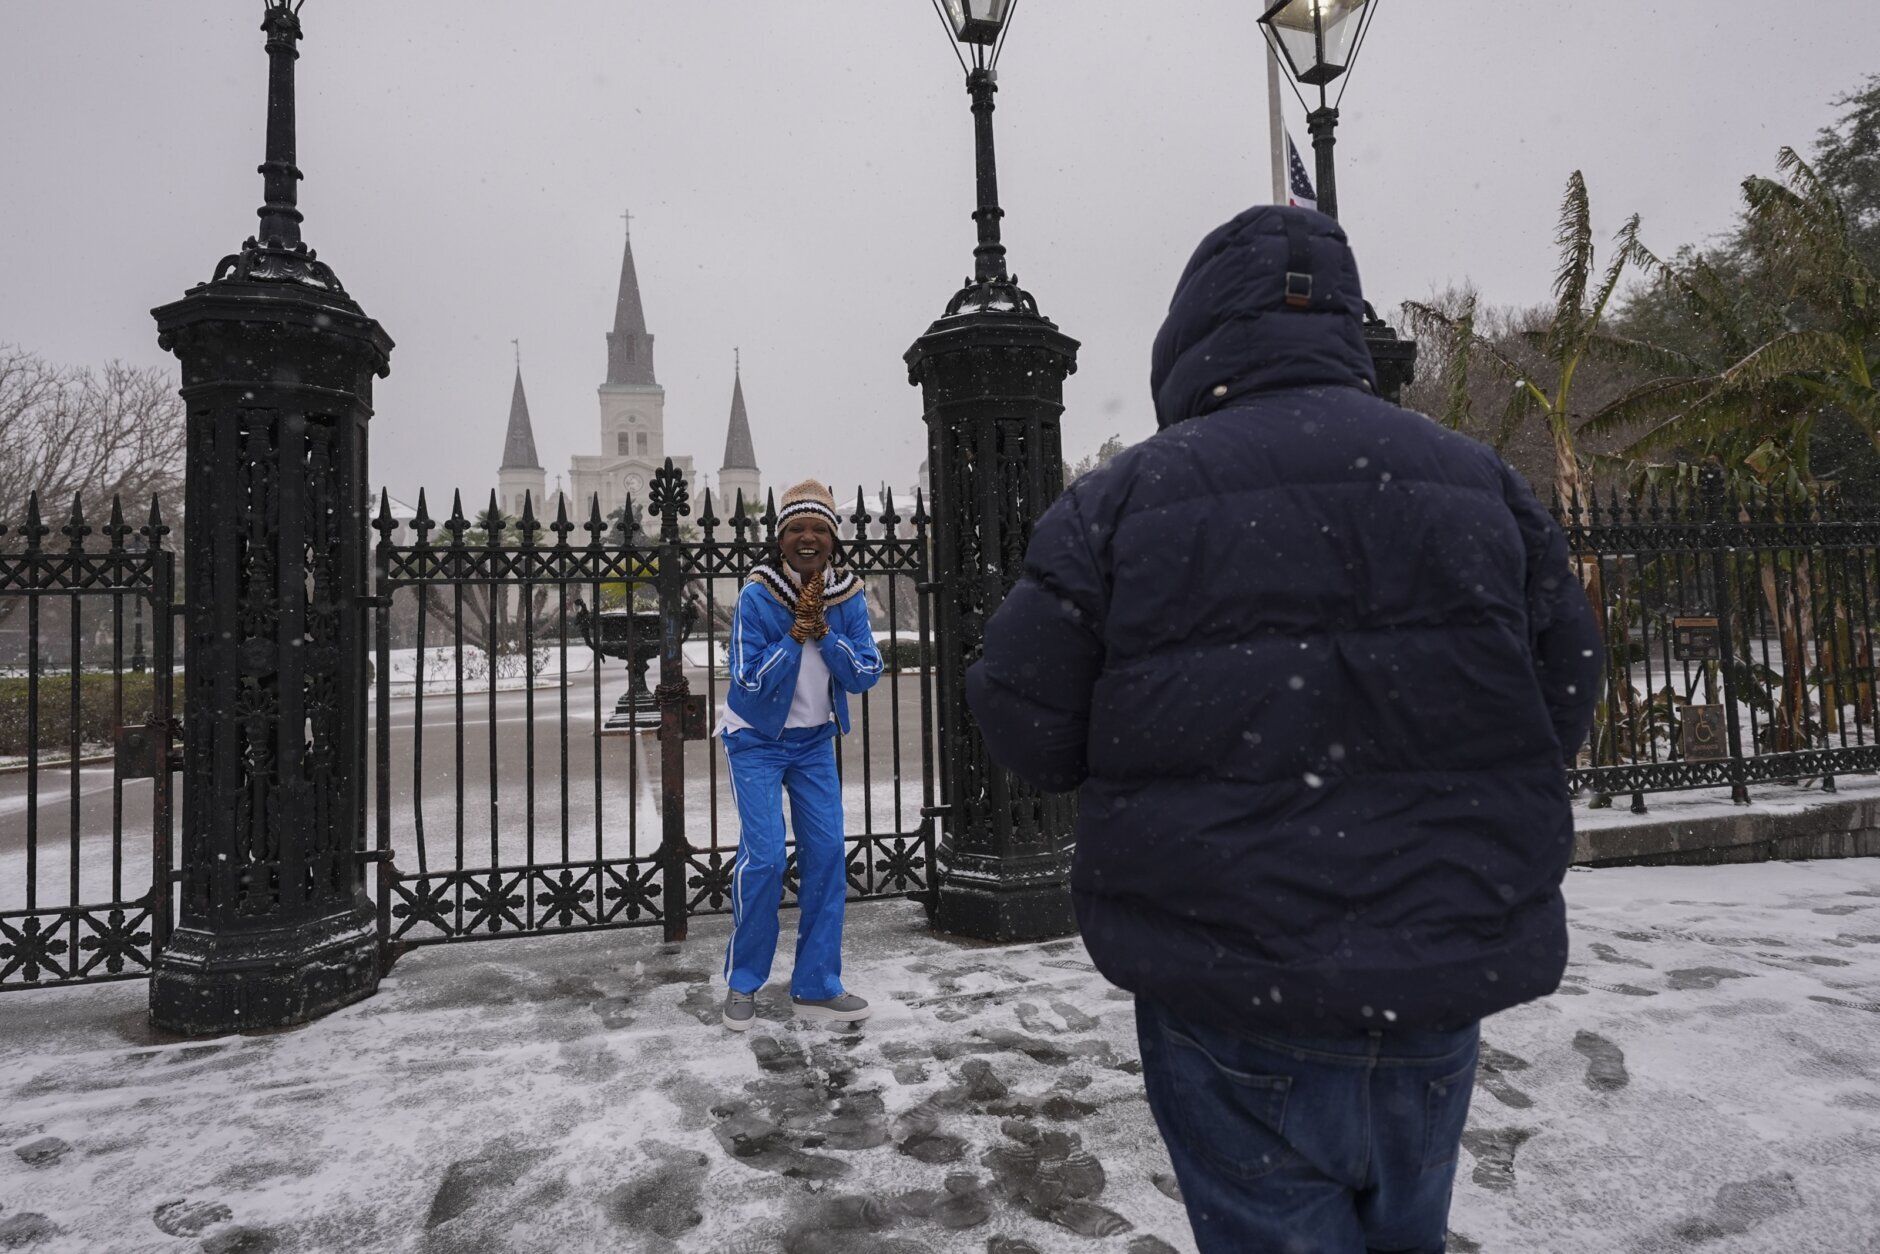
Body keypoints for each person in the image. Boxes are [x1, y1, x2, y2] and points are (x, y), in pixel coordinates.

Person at [964, 206, 1601, 1253]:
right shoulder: (1478, 485)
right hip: (1433, 976)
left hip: (1230, 974)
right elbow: (1563, 689)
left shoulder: (1123, 502)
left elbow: (1022, 719)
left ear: (1194, 333)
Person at [718, 480, 883, 1031]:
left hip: (813, 742)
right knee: (764, 859)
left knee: (828, 853)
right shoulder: (757, 595)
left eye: (818, 529)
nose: (807, 538)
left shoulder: (849, 596)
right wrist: (794, 635)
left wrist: (826, 635)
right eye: (796, 529)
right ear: (780, 538)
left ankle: (815, 985)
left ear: (833, 539)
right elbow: (746, 683)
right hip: (755, 743)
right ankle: (744, 982)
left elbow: (866, 672)